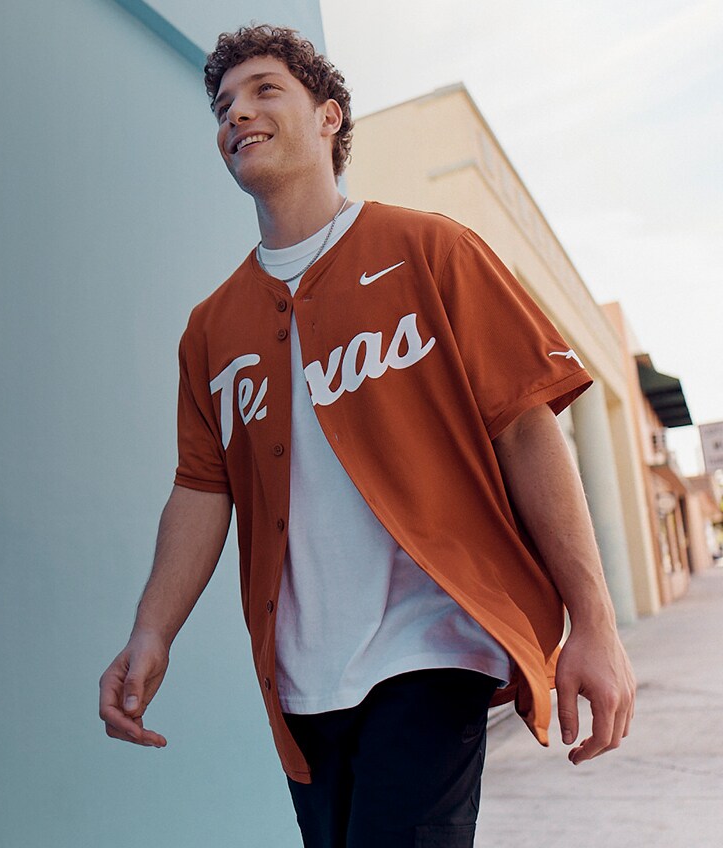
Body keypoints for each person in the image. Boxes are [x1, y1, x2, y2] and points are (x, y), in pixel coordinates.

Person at [98, 23, 635, 848]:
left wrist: (592, 622)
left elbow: (527, 431)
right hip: (301, 680)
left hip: (433, 648)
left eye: (264, 89)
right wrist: (150, 631)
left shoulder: (430, 250)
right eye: (223, 104)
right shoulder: (210, 330)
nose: (236, 114)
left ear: (329, 117)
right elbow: (201, 491)